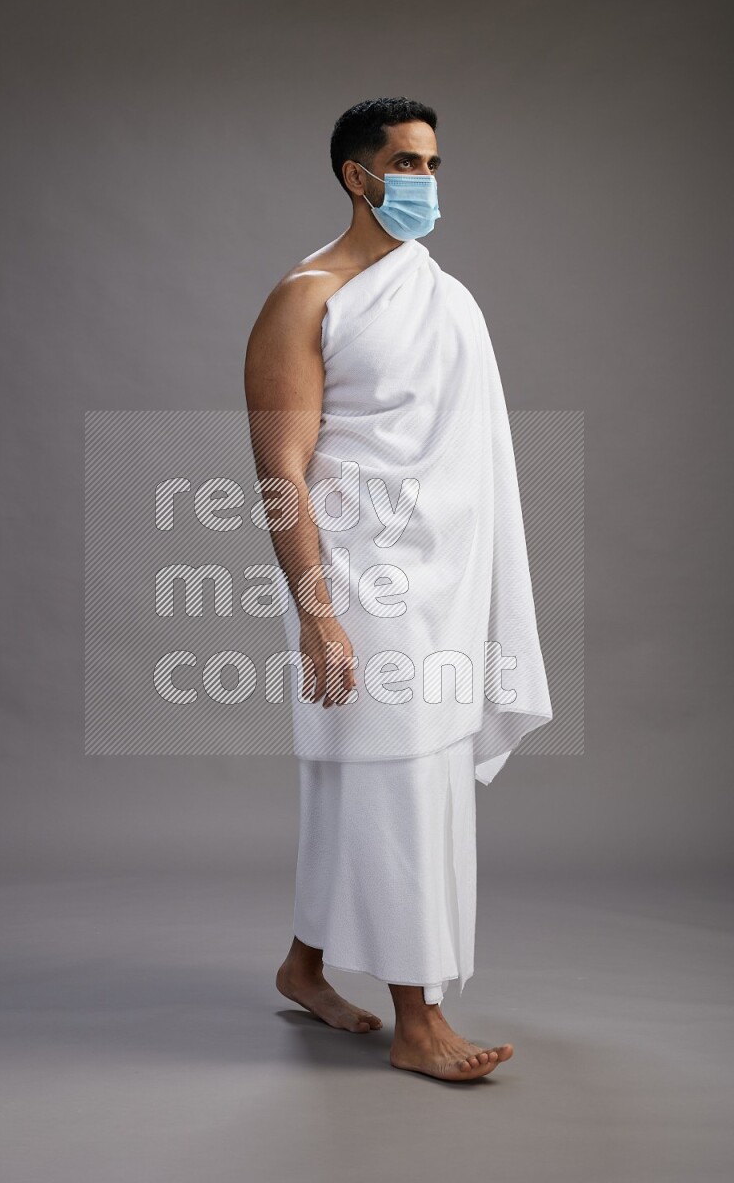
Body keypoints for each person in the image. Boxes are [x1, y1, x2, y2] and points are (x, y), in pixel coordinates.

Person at [243, 97, 552, 1082]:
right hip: (366, 582)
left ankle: (303, 964)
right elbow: (280, 473)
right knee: (397, 789)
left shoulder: (442, 294)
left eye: (432, 163)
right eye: (406, 164)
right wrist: (318, 613)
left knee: (366, 786)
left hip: (445, 582)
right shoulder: (305, 299)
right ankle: (418, 1024)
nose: (424, 181)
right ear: (355, 175)